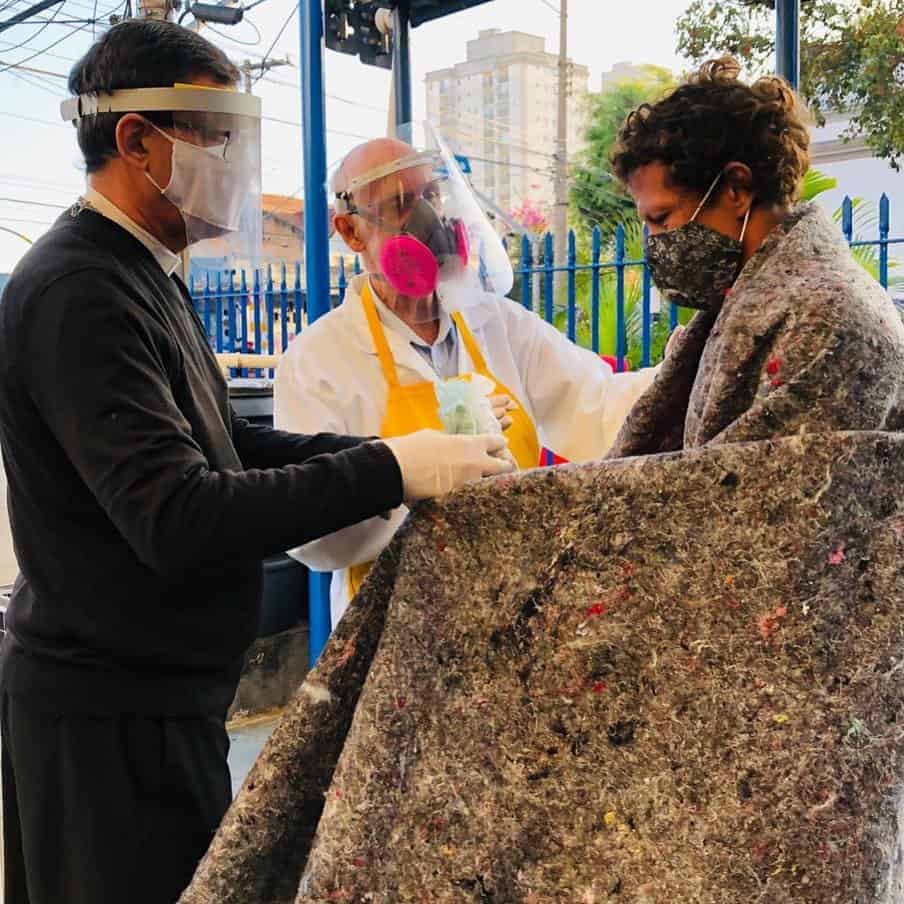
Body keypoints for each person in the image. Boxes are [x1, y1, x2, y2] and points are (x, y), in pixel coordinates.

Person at [0, 21, 512, 904]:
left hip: (164, 702)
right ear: (137, 139)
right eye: (221, 136)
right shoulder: (79, 289)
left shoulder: (144, 271)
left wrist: (387, 452)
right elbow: (180, 516)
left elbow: (227, 446)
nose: (237, 164)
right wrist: (392, 471)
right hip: (105, 725)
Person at [274, 132, 661, 627]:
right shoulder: (320, 360)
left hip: (510, 608)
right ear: (350, 232)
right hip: (396, 624)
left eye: (431, 197)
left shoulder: (498, 323)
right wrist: (402, 479)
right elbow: (311, 537)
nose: (429, 221)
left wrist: (688, 364)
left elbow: (597, 401)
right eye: (400, 205)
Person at [603, 56, 904, 458]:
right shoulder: (749, 304)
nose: (655, 242)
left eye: (662, 218)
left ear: (736, 189)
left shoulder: (826, 316)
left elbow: (740, 497)